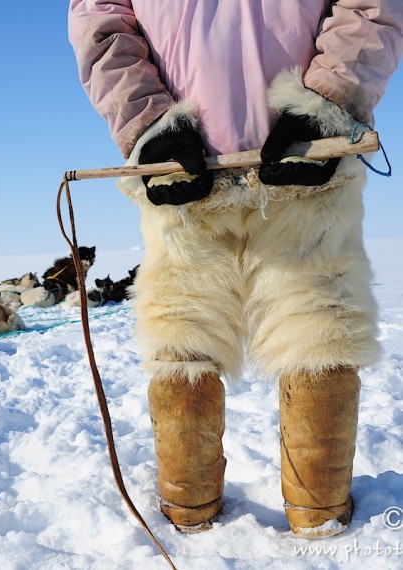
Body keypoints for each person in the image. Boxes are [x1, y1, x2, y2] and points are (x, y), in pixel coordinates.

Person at [68, 1, 403, 537]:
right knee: (185, 341)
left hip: (308, 154)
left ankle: (316, 520)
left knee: (319, 334)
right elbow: (103, 25)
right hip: (184, 163)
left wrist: (326, 104)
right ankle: (194, 515)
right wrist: (150, 124)